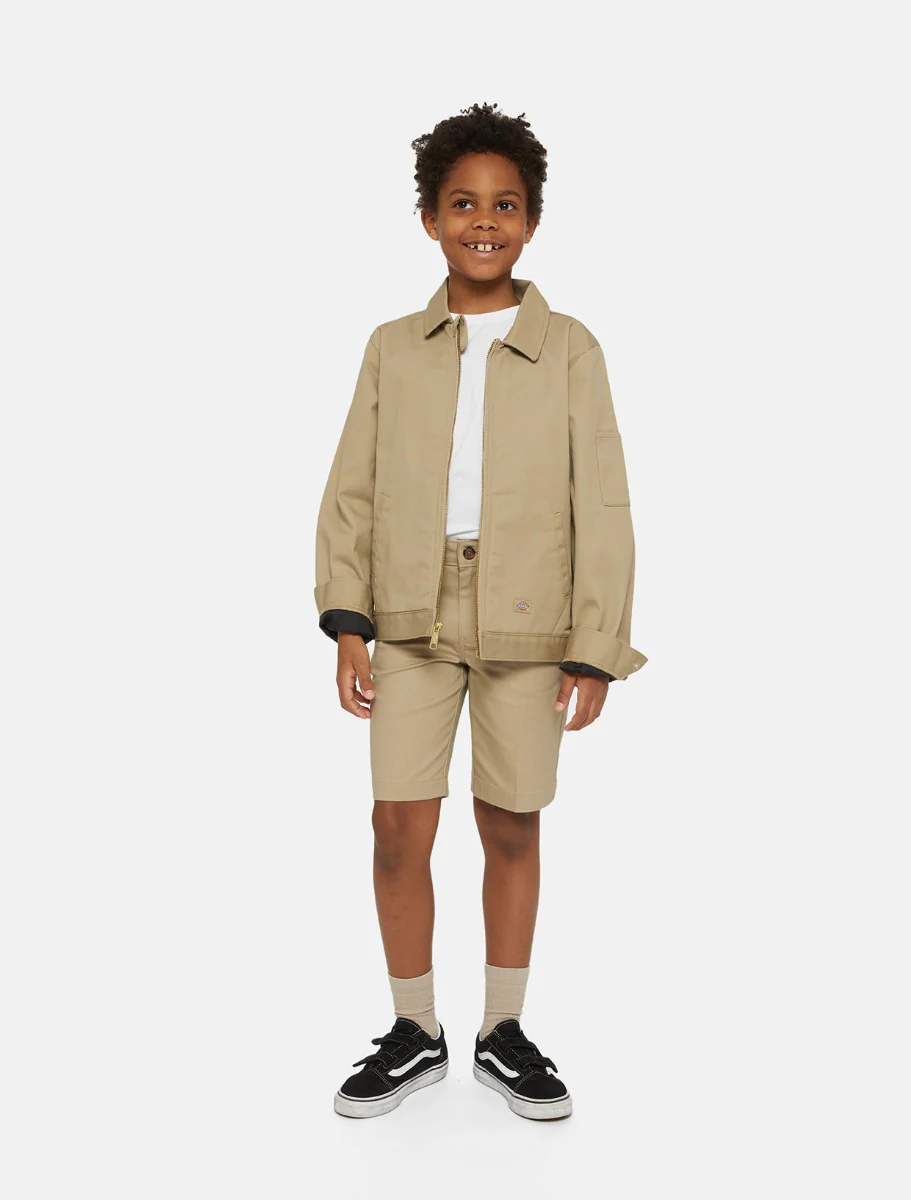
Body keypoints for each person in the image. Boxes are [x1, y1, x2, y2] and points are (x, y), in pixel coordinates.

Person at [314, 102, 647, 1121]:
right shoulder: (392, 346)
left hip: (529, 618)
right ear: (429, 219)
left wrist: (594, 644)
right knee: (395, 826)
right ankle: (414, 1029)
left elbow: (602, 499)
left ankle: (503, 1031)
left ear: (531, 221)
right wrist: (348, 619)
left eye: (505, 205)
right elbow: (352, 487)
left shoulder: (571, 349)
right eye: (462, 203)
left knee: (510, 826)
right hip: (408, 614)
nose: (483, 222)